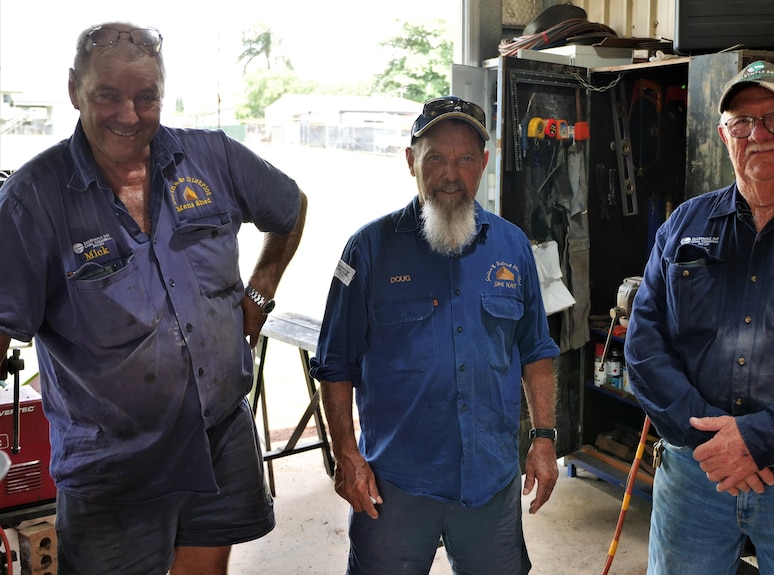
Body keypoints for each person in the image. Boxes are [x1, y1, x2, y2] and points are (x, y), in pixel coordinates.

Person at [0, 22, 307, 575]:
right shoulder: (32, 200)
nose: (129, 114)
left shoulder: (212, 158)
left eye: (146, 97)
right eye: (107, 96)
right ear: (75, 90)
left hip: (218, 432)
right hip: (114, 463)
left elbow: (290, 207)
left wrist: (259, 294)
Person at [625, 60, 774, 574]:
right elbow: (644, 345)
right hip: (697, 477)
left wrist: (759, 439)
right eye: (742, 122)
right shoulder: (683, 225)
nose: (759, 134)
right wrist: (717, 443)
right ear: (723, 135)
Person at [309, 96, 560, 574]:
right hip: (397, 483)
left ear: (484, 164)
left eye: (466, 158)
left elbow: (537, 351)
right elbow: (335, 363)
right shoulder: (367, 250)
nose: (451, 173)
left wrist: (544, 439)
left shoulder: (512, 246)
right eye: (436, 158)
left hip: (490, 480)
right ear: (411, 162)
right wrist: (347, 454)